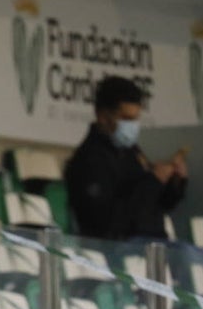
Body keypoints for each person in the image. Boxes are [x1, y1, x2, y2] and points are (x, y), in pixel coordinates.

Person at [65, 76, 187, 240]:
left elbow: (156, 204)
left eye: (135, 119)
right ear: (102, 116)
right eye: (126, 119)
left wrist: (174, 183)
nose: (132, 126)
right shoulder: (88, 161)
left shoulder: (132, 152)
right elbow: (105, 221)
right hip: (120, 248)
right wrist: (152, 181)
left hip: (154, 242)